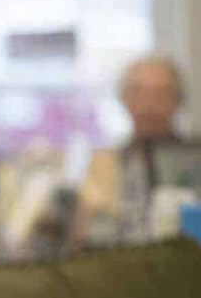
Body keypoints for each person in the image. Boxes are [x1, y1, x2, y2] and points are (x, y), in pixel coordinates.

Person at [70, 55, 196, 247]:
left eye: (162, 94)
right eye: (139, 93)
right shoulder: (105, 164)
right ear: (124, 99)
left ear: (178, 100)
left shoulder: (194, 159)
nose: (150, 105)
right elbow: (84, 238)